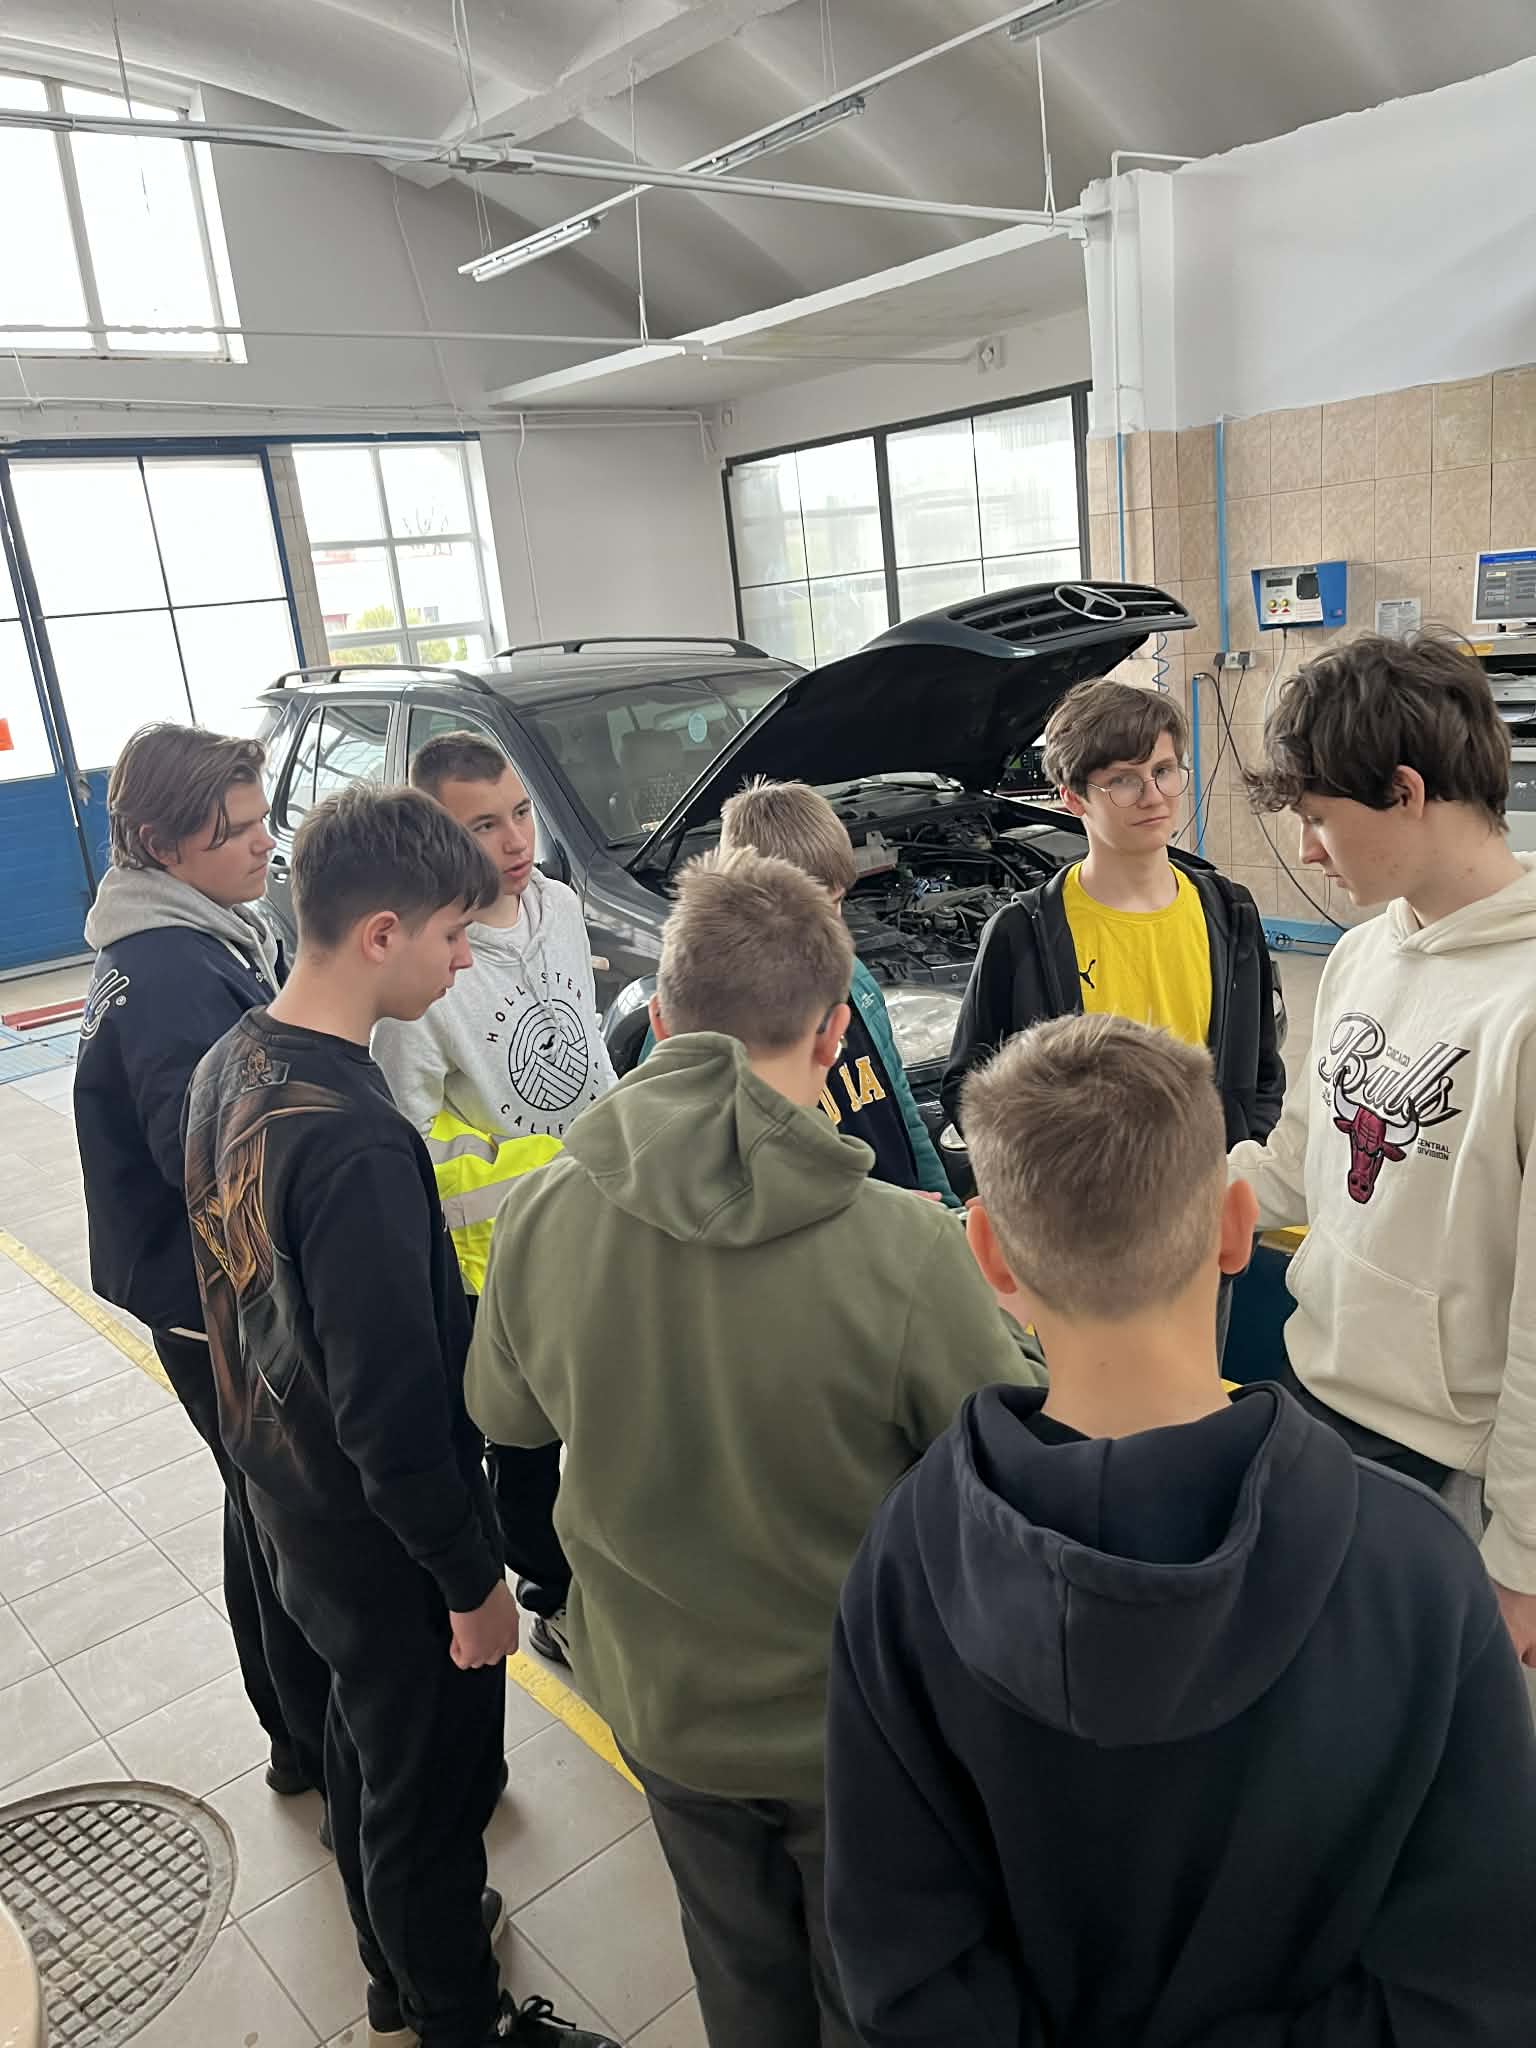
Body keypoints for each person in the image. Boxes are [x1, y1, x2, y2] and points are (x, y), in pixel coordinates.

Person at [825, 1011, 1536, 2047]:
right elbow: (1474, 1984)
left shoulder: (902, 1566)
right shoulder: (1422, 1572)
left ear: (989, 1253)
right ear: (1238, 1227)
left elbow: (904, 1971)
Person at [464, 846, 1043, 2048]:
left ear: (665, 1020)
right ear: (834, 1034)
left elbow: (507, 1419)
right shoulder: (903, 1249)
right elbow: (1012, 1456)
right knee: (869, 1987)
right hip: (854, 1727)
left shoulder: (543, 1212)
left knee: (736, 1965)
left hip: (663, 1703)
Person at [182, 785, 617, 2048]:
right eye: (451, 935)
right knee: (427, 1793)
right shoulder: (360, 1141)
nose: (465, 959)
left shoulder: (235, 1061)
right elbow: (394, 1409)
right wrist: (471, 1580)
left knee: (362, 1744)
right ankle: (457, 2015)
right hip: (384, 1536)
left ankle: (395, 1966)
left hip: (289, 1498)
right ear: (381, 933)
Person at [1230, 631, 1536, 1672]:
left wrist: (1521, 1557)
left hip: (1454, 1467)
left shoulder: (1525, 1004)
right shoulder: (1363, 952)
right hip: (1319, 1398)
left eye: (1318, 818)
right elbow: (1296, 1159)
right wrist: (1143, 1201)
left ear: (1405, 793)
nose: (1309, 850)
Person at [74, 721, 328, 1803]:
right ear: (159, 843)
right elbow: (216, 1169)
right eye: (235, 831)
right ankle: (315, 1743)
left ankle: (291, 1735)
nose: (264, 844)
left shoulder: (186, 937)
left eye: (265, 819)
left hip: (189, 1287)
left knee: (252, 1502)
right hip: (211, 1302)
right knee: (289, 1519)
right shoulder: (174, 975)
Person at [373, 732, 614, 1664]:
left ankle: (611, 1566)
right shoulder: (427, 962)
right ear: (436, 837)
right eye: (482, 826)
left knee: (607, 1412)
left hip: (596, 1218)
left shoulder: (560, 907)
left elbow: (586, 1051)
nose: (515, 841)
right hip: (498, 1258)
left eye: (519, 813)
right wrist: (529, 1163)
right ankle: (550, 1596)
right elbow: (406, 1138)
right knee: (522, 1443)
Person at [941, 677, 1284, 1151]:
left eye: (1164, 770)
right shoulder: (1023, 933)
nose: (1153, 795)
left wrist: (1242, 1152)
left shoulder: (1231, 913)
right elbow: (968, 1089)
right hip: (1083, 1191)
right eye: (1123, 779)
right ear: (1072, 797)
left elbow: (1262, 1068)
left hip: (1212, 1180)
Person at [637, 778, 959, 1204]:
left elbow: (902, 1113)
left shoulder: (856, 980)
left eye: (837, 904)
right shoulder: (703, 1012)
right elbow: (708, 1186)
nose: (831, 931)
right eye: (810, 914)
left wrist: (946, 1207)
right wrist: (879, 1212)